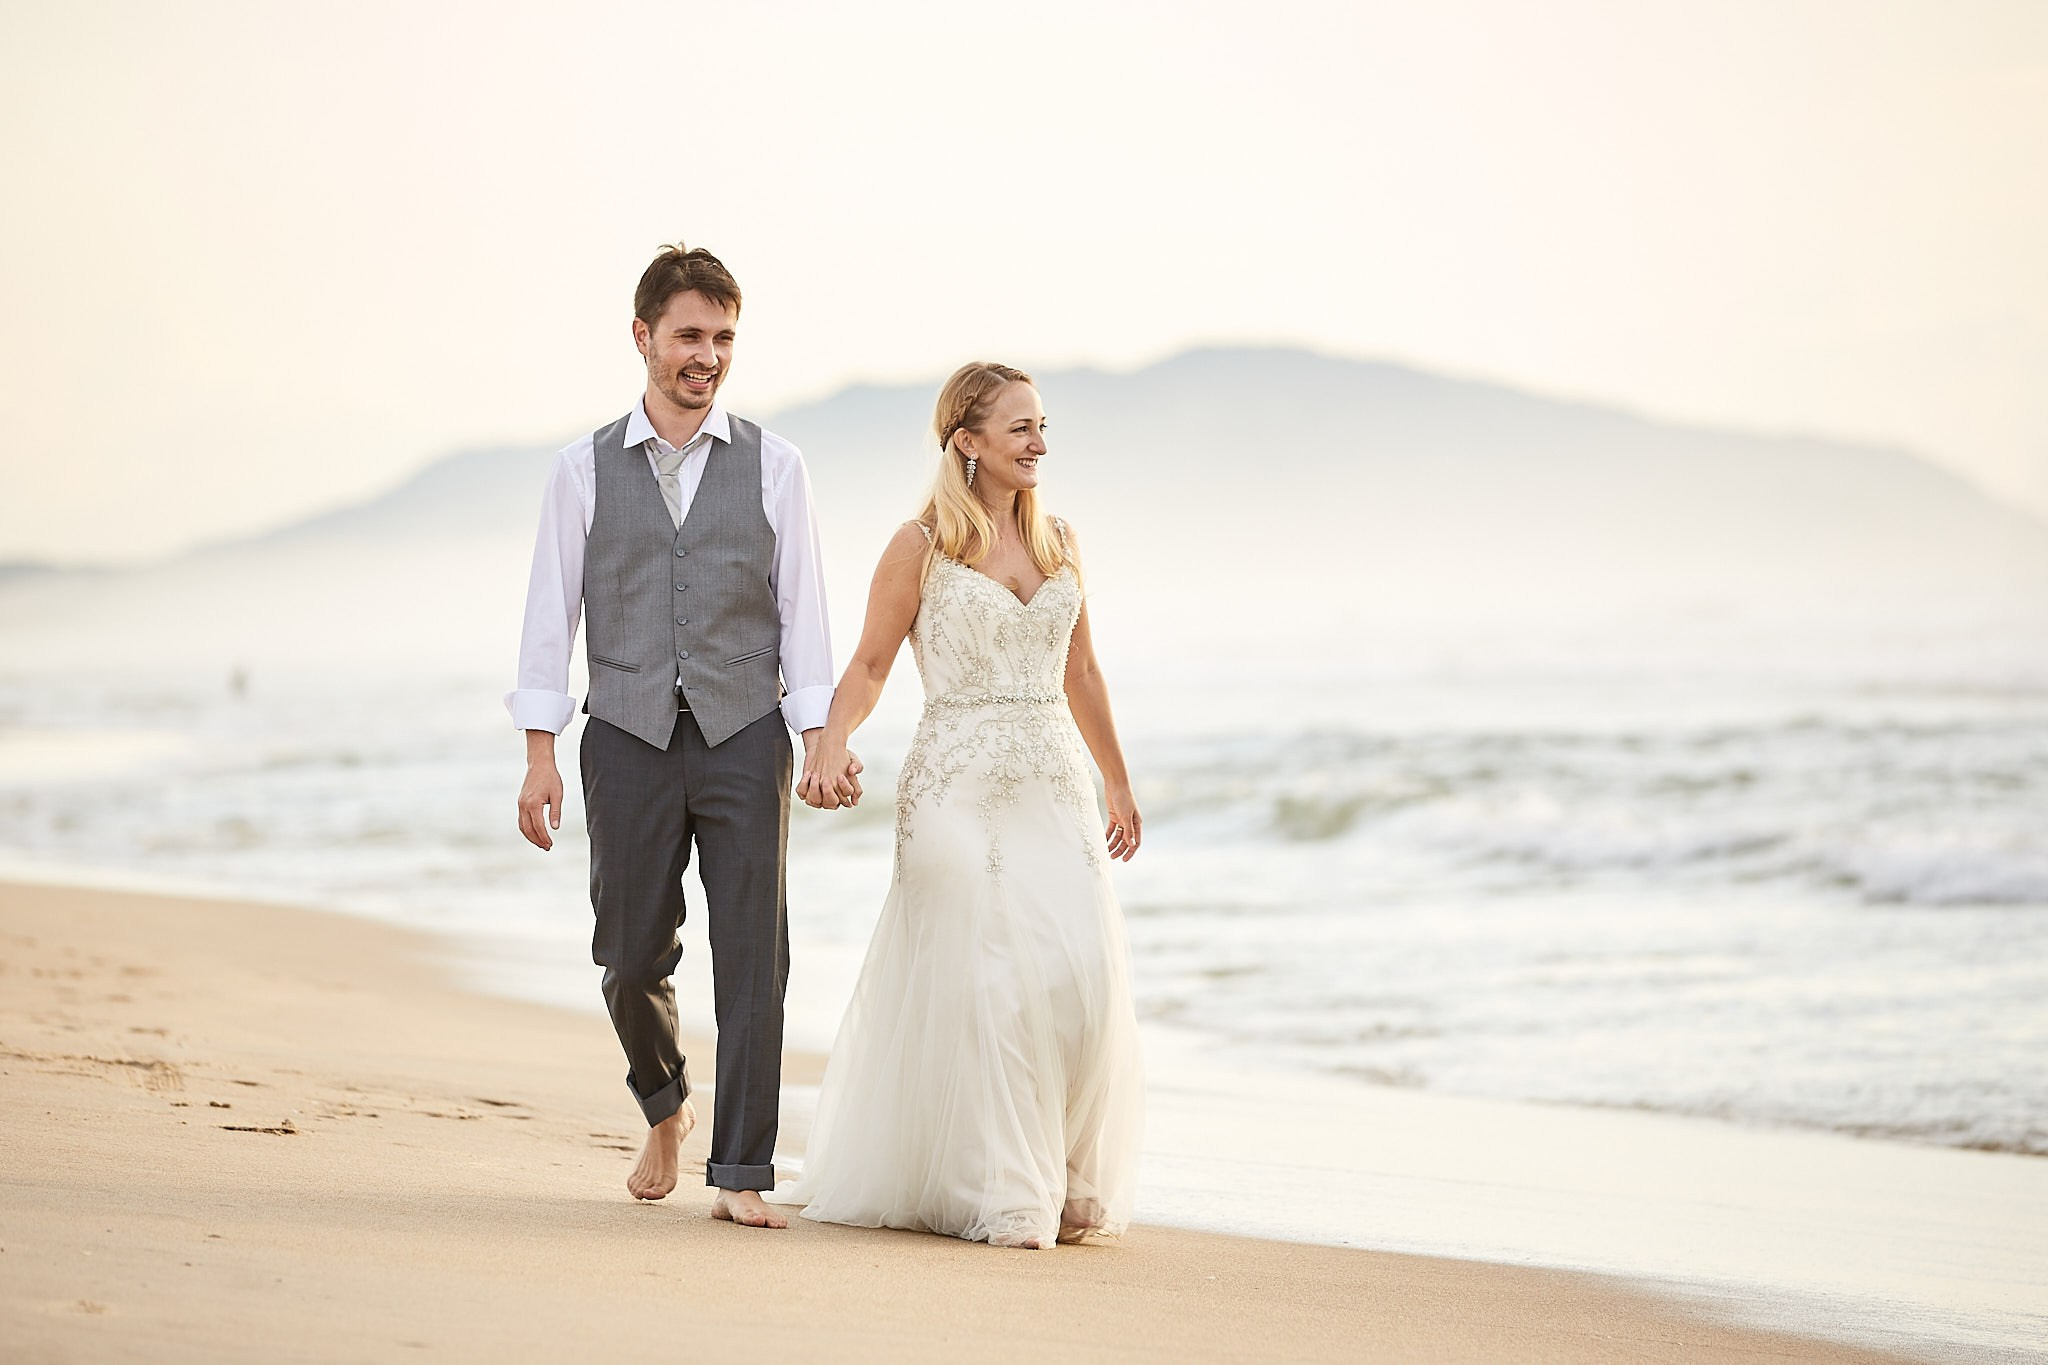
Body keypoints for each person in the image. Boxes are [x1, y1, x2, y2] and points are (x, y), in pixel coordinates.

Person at [507, 241, 851, 1229]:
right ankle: (665, 1104)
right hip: (625, 735)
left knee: (753, 957)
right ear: (643, 337)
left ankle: (740, 1170)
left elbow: (805, 613)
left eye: (724, 338)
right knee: (626, 953)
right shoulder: (580, 470)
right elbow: (549, 616)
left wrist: (819, 736)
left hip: (746, 733)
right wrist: (538, 754)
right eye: (690, 335)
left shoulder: (777, 466)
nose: (708, 355)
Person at [774, 362, 1144, 1249]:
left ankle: (1066, 1171)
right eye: (1021, 427)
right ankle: (1004, 1186)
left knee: (1079, 981)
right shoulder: (921, 545)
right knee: (989, 979)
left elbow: (1083, 671)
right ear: (967, 441)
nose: (1039, 443)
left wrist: (1119, 780)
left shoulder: (1061, 540)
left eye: (1043, 426)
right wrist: (829, 739)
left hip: (1053, 785)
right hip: (954, 786)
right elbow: (870, 664)